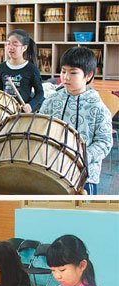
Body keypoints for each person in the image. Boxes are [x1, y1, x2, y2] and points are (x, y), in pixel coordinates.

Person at [39, 47, 113, 195]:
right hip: (52, 170)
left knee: (82, 212)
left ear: (88, 75)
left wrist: (81, 158)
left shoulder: (98, 108)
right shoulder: (52, 100)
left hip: (85, 176)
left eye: (73, 72)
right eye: (63, 71)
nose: (66, 77)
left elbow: (104, 142)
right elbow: (40, 127)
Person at [0, 29, 44, 113]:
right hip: (5, 111)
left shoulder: (31, 68)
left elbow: (40, 93)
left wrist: (31, 105)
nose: (10, 47)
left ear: (24, 47)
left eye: (15, 44)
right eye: (8, 44)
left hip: (22, 112)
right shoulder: (2, 67)